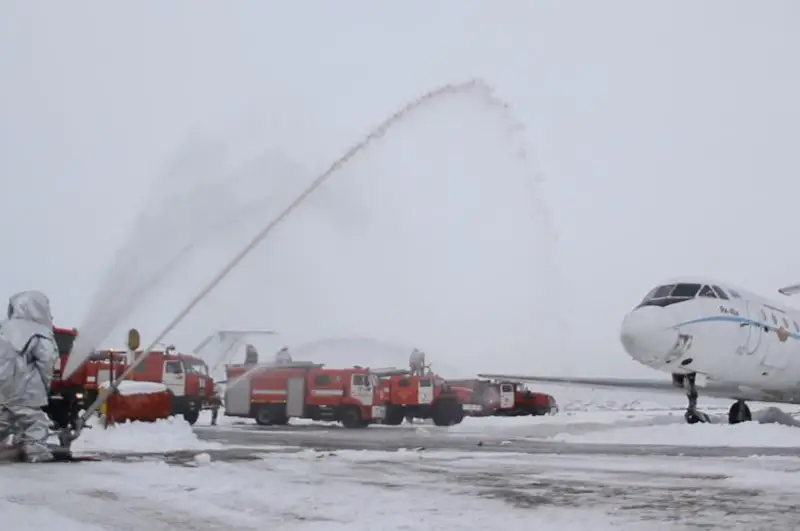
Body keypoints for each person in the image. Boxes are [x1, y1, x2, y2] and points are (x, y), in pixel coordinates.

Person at [0, 291, 59, 462]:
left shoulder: (3, 328)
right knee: (34, 421)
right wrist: (45, 384)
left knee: (4, 418)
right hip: (25, 387)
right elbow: (46, 360)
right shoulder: (39, 332)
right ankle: (36, 452)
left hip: (2, 387)